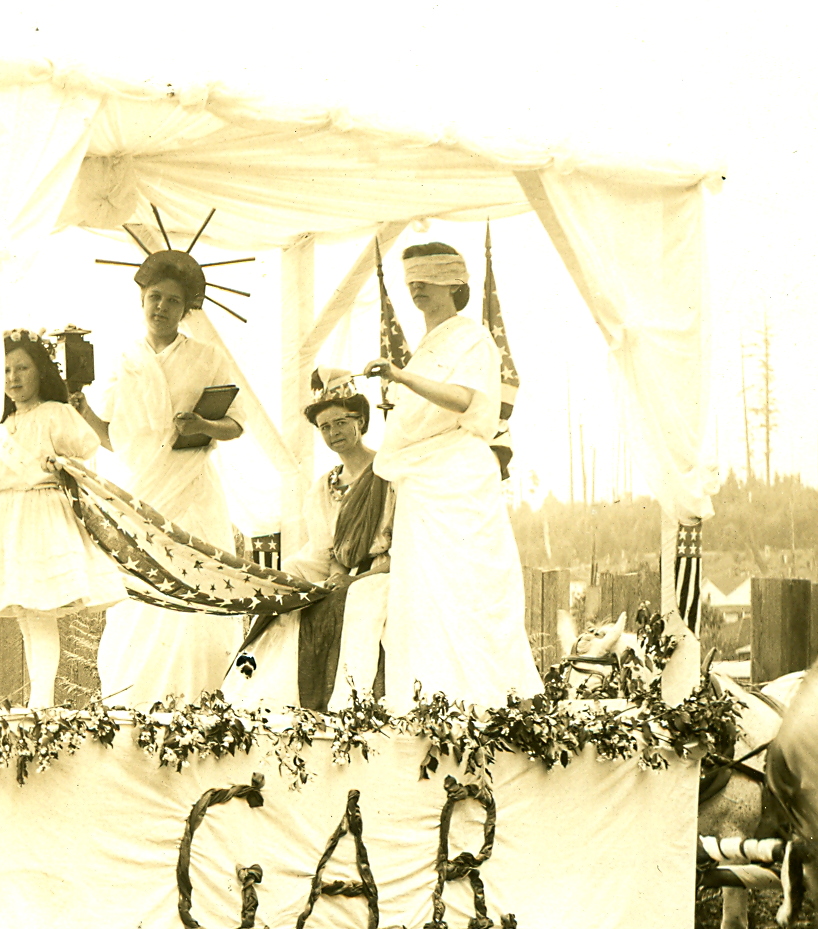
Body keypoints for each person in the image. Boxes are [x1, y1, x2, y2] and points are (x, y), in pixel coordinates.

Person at [364, 240, 543, 708]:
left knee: (471, 591)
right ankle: (431, 701)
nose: (418, 287)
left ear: (456, 284)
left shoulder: (472, 337)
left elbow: (464, 399)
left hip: (459, 477)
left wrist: (402, 378)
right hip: (420, 481)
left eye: (430, 279)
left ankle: (494, 701)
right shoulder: (429, 345)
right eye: (413, 281)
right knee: (421, 597)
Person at [86, 248, 247, 705]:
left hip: (193, 489)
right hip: (143, 491)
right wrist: (79, 409)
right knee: (140, 596)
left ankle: (201, 697)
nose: (161, 308)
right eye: (155, 297)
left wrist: (203, 427)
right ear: (142, 300)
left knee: (196, 592)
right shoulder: (124, 358)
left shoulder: (207, 357)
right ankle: (133, 699)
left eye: (173, 301)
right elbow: (113, 436)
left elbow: (235, 423)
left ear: (185, 308)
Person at [0, 331, 127, 708]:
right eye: (5, 371)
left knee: (40, 607)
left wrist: (59, 463)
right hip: (8, 519)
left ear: (39, 372)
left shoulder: (55, 413)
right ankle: (39, 697)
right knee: (25, 612)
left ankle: (43, 700)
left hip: (42, 516)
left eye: (22, 368)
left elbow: (82, 451)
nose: (13, 378)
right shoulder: (0, 427)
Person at [228, 370, 393, 710]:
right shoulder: (324, 487)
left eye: (341, 422)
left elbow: (401, 544)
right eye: (325, 427)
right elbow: (329, 551)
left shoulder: (388, 473)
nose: (334, 433)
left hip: (383, 572)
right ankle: (266, 693)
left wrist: (351, 579)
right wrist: (335, 575)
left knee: (355, 595)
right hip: (343, 572)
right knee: (287, 583)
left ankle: (348, 699)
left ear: (360, 420)